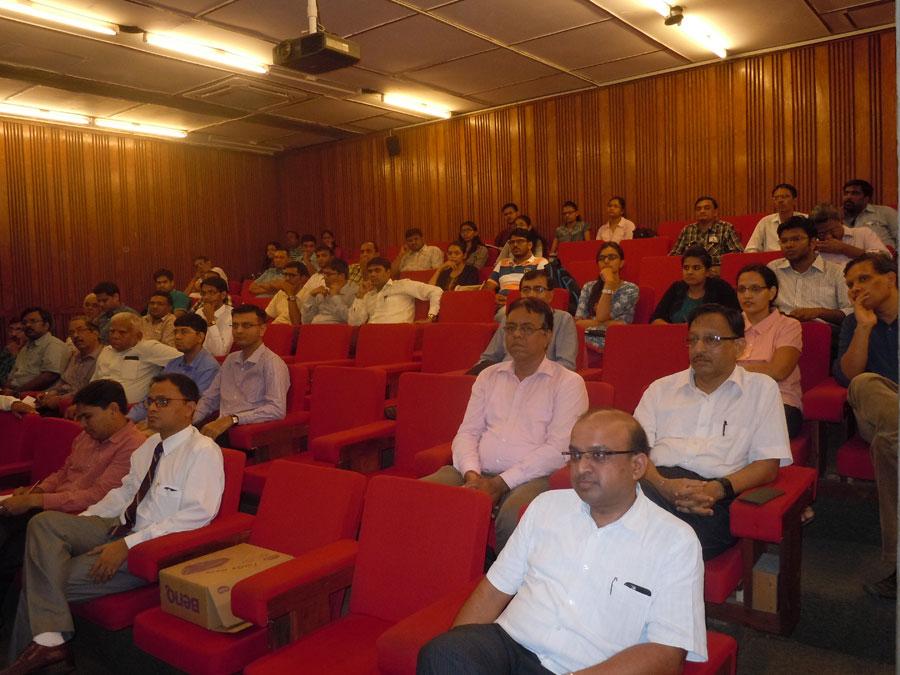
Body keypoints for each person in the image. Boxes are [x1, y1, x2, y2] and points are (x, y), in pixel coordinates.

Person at [418, 408, 706, 675]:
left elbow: (668, 651)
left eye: (599, 455)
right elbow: (494, 591)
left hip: (589, 667)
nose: (582, 468)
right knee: (445, 653)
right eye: (576, 455)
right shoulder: (546, 506)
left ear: (637, 465)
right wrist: (461, 643)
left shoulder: (675, 541)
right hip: (512, 645)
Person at [5, 373, 224, 673]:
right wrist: (81, 526)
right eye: (150, 401)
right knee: (45, 524)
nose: (153, 408)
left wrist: (126, 545)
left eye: (163, 402)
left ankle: (43, 651)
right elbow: (124, 493)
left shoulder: (203, 451)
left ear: (190, 407)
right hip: (116, 525)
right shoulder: (149, 446)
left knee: (42, 578)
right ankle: (49, 644)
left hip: (148, 547)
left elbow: (196, 515)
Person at [423, 298, 588, 552]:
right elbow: (468, 433)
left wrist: (501, 483)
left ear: (547, 336)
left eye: (527, 328)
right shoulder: (488, 376)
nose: (517, 335)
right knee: (419, 494)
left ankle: (503, 576)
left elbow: (559, 449)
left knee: (514, 516)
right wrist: (472, 474)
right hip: (476, 470)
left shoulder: (568, 383)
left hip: (534, 476)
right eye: (510, 328)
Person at [635, 304, 793, 560]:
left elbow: (767, 465)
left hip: (714, 500)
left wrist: (716, 490)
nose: (698, 349)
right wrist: (664, 486)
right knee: (615, 497)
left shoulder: (761, 390)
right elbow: (635, 453)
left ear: (739, 347)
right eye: (693, 340)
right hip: (654, 484)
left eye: (712, 340)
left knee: (628, 527)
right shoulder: (660, 389)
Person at [0, 380, 144, 600]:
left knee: (15, 546)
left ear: (113, 410)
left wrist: (37, 501)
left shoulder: (133, 446)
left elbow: (97, 497)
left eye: (88, 416)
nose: (82, 424)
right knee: (6, 520)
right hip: (54, 505)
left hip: (80, 517)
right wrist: (36, 492)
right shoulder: (87, 436)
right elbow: (63, 473)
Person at [834, 253, 898, 599]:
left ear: (890, 278)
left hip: (889, 435)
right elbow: (849, 376)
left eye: (863, 279)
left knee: (889, 447)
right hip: (875, 411)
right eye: (850, 285)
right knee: (864, 383)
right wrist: (864, 327)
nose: (856, 289)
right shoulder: (852, 323)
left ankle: (896, 566)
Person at [193, 305, 289, 441]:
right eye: (235, 325)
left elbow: (276, 409)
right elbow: (210, 399)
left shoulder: (272, 363)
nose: (238, 331)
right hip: (220, 430)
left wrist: (233, 419)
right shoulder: (230, 360)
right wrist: (187, 422)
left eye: (246, 325)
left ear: (262, 329)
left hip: (248, 433)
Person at [735, 264, 803, 439]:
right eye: (741, 290)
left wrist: (731, 369)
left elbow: (778, 371)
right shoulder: (729, 325)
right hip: (732, 399)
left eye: (755, 289)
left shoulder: (788, 325)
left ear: (772, 293)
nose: (747, 295)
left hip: (778, 401)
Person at [469, 270, 577, 374]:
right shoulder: (508, 319)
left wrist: (529, 376)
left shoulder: (563, 319)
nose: (531, 295)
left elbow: (566, 365)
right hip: (503, 377)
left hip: (542, 379)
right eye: (526, 290)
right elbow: (488, 358)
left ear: (551, 295)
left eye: (538, 289)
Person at [127, 313, 220, 426]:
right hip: (157, 418)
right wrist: (128, 420)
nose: (177, 337)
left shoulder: (209, 367)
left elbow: (193, 406)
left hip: (179, 425)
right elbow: (151, 398)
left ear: (200, 337)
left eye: (184, 332)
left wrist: (149, 424)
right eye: (176, 332)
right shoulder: (173, 364)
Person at [767, 216, 851, 324]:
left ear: (812, 243)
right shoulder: (773, 269)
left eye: (796, 239)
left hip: (823, 331)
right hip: (780, 329)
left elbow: (850, 312)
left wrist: (819, 312)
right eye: (784, 241)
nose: (789, 245)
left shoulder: (836, 272)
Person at [90, 313, 181, 405]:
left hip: (132, 408)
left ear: (138, 336)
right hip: (98, 405)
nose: (115, 336)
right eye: (112, 331)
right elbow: (94, 381)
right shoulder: (106, 351)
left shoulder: (149, 348)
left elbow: (183, 359)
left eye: (122, 332)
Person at [651, 246, 740, 324]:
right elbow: (656, 318)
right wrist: (675, 331)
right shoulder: (676, 288)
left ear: (707, 271)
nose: (690, 272)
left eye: (696, 268)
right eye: (686, 268)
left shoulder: (721, 288)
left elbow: (735, 318)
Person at [575, 242, 640, 349]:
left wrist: (609, 283)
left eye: (612, 257)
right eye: (601, 258)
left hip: (614, 342)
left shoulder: (630, 289)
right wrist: (611, 323)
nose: (606, 261)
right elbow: (578, 324)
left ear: (621, 263)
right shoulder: (588, 287)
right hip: (584, 340)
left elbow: (601, 316)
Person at [34, 318, 102, 414]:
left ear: (96, 333)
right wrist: (49, 393)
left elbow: (91, 392)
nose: (75, 335)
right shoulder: (75, 356)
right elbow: (63, 382)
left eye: (80, 330)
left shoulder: (104, 357)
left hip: (81, 407)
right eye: (71, 332)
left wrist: (60, 400)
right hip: (59, 402)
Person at [348, 257, 443, 325]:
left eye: (377, 270)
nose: (372, 274)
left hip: (397, 335)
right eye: (370, 271)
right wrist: (359, 296)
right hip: (371, 336)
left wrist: (431, 317)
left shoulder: (403, 285)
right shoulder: (368, 295)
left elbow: (435, 291)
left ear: (388, 272)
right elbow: (354, 323)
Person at [3, 308, 68, 395]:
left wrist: (16, 392)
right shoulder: (26, 347)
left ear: (46, 325)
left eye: (33, 321)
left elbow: (49, 376)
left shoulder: (53, 345)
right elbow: (13, 374)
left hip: (36, 396)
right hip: (16, 392)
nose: (28, 325)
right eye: (24, 322)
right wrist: (5, 390)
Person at [483, 228, 549, 313]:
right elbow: (488, 287)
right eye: (512, 242)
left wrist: (511, 299)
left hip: (525, 304)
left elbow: (537, 290)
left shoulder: (541, 262)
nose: (515, 245)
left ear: (530, 245)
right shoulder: (502, 263)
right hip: (500, 304)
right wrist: (494, 297)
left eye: (520, 241)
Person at [669, 196, 743, 270]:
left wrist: (707, 261)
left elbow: (738, 254)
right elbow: (674, 256)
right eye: (698, 209)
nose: (702, 211)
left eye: (707, 208)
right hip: (692, 272)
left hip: (715, 271)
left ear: (715, 212)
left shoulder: (726, 228)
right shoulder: (687, 230)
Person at [808, 202, 888, 266]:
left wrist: (844, 249)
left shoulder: (863, 233)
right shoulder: (814, 246)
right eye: (822, 233)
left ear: (841, 221)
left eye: (833, 230)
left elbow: (886, 259)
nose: (828, 237)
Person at [745, 183, 807, 252]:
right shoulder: (765, 222)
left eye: (785, 197)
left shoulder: (805, 220)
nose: (780, 200)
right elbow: (750, 249)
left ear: (794, 200)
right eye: (776, 198)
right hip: (771, 258)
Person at [841, 179, 898, 249]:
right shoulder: (836, 217)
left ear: (866, 198)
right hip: (849, 254)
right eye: (846, 193)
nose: (848, 197)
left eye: (855, 193)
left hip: (882, 254)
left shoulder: (885, 212)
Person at [302, 260, 358, 324]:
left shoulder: (354, 292)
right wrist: (311, 297)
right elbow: (306, 321)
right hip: (315, 327)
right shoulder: (323, 292)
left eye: (328, 274)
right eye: (324, 274)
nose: (324, 277)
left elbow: (352, 319)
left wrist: (335, 297)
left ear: (342, 276)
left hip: (336, 328)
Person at [194, 277, 233, 356]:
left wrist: (210, 320)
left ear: (223, 295)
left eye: (211, 293)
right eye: (203, 293)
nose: (206, 297)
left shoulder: (231, 315)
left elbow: (220, 353)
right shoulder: (199, 312)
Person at [264, 261, 309, 326]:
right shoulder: (281, 292)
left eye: (292, 275)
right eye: (285, 275)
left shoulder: (308, 295)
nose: (287, 278)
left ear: (303, 278)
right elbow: (267, 315)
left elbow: (296, 323)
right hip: (275, 326)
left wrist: (290, 294)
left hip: (292, 329)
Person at [0, 321, 26, 386]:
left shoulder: (31, 350)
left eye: (18, 329)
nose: (13, 334)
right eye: (11, 329)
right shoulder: (7, 350)